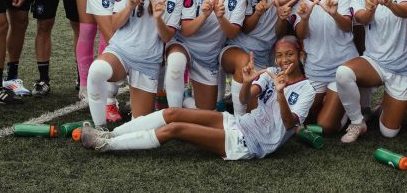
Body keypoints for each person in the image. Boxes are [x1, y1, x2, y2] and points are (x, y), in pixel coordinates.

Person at [79, 36, 315, 161]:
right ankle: (111, 134)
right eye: (280, 55)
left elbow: (288, 124)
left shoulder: (307, 90)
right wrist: (245, 82)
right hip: (239, 123)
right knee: (172, 113)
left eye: (290, 54)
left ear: (300, 55)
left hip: (250, 143)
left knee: (176, 129)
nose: (284, 60)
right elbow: (244, 100)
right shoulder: (272, 72)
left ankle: (106, 145)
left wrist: (281, 94)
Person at [86, 0, 184, 128]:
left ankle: (121, 133)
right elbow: (114, 24)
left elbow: (166, 38)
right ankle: (99, 128)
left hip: (148, 60)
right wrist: (129, 6)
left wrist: (158, 18)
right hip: (121, 52)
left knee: (139, 127)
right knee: (97, 71)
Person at [338, 0, 407, 143]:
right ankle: (357, 122)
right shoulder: (358, 0)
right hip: (374, 63)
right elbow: (363, 19)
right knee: (343, 73)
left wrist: (389, 3)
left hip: (402, 68)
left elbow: (405, 11)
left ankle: (386, 104)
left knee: (388, 132)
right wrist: (371, 7)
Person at [165, 0, 246, 110]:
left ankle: (186, 101)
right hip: (184, 46)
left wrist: (221, 17)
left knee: (207, 113)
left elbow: (232, 33)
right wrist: (204, 15)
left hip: (209, 56)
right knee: (176, 62)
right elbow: (186, 30)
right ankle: (174, 113)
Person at [290, 0, 357, 134]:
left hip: (342, 68)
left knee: (324, 126)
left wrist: (334, 14)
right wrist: (305, 18)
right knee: (297, 115)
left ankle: (344, 110)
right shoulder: (298, 4)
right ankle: (331, 102)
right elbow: (301, 34)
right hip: (316, 70)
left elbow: (347, 27)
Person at [221, 0, 294, 115]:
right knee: (245, 63)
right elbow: (245, 28)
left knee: (257, 111)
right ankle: (238, 121)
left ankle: (236, 107)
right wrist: (258, 12)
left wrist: (281, 17)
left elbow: (279, 35)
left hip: (262, 58)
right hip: (235, 50)